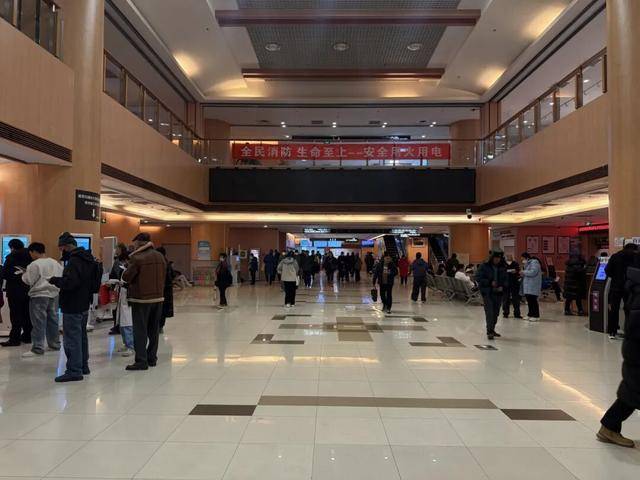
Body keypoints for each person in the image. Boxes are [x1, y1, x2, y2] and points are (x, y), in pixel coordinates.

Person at [597, 256, 640, 448]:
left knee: (633, 391)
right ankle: (609, 427)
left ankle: (609, 426)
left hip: (634, 347)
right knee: (633, 392)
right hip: (637, 349)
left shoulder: (634, 285)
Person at [48, 232, 97, 382]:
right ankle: (83, 366)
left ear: (66, 246)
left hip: (72, 304)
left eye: (61, 248)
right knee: (81, 336)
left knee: (71, 338)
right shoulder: (89, 259)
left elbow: (70, 283)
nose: (61, 252)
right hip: (84, 303)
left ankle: (74, 370)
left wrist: (55, 280)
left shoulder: (74, 261)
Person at [121, 233, 166, 371]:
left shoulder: (137, 258)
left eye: (134, 243)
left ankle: (141, 360)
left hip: (141, 299)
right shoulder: (160, 256)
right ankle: (152, 358)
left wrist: (127, 268)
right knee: (154, 330)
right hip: (158, 298)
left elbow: (127, 277)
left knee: (140, 330)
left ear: (139, 243)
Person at [20, 242, 63, 357]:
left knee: (38, 322)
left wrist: (24, 275)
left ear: (34, 251)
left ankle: (38, 348)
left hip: (39, 295)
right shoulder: (55, 262)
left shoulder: (34, 264)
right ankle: (54, 344)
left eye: (30, 253)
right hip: (54, 294)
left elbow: (29, 280)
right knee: (53, 320)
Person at [0, 239, 32, 347]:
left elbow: (4, 274)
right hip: (28, 290)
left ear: (12, 247)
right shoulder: (30, 256)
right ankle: (27, 336)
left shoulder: (10, 257)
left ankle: (15, 339)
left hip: (14, 291)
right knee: (27, 315)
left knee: (15, 316)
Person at [606, 243, 639, 339]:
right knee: (629, 309)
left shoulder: (615, 256)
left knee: (614, 309)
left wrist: (616, 277)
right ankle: (628, 331)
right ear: (631, 249)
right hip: (629, 287)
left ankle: (612, 331)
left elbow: (607, 270)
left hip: (615, 287)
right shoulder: (634, 258)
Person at [476, 251, 508, 340]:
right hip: (488, 293)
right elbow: (478, 278)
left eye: (499, 258)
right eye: (495, 258)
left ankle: (492, 329)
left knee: (496, 313)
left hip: (498, 293)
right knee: (489, 312)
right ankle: (489, 331)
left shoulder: (502, 267)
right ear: (492, 258)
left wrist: (503, 286)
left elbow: (506, 279)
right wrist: (489, 282)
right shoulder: (484, 266)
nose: (497, 260)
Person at [108, 243, 129, 335]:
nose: (115, 250)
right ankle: (117, 325)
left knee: (117, 307)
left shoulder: (121, 261)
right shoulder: (121, 260)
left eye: (116, 249)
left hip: (119, 286)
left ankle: (118, 326)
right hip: (117, 286)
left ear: (120, 249)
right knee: (116, 307)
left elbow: (117, 273)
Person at [156, 247, 175, 333]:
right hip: (167, 290)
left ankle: (158, 326)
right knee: (163, 309)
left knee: (160, 309)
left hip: (162, 290)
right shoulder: (167, 262)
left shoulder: (160, 263)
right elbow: (173, 275)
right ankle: (160, 326)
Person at [521, 252, 542, 321]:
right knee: (529, 301)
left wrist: (523, 272)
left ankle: (536, 316)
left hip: (533, 285)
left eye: (523, 259)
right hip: (528, 285)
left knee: (533, 301)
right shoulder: (527, 264)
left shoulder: (534, 263)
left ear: (527, 258)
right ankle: (530, 314)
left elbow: (533, 272)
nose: (522, 260)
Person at [502, 254, 522, 319]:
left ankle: (517, 314)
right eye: (507, 256)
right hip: (506, 284)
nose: (509, 257)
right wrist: (508, 271)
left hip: (514, 283)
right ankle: (505, 313)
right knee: (505, 299)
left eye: (510, 256)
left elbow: (518, 271)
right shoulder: (503, 264)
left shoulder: (515, 263)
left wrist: (515, 271)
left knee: (516, 299)